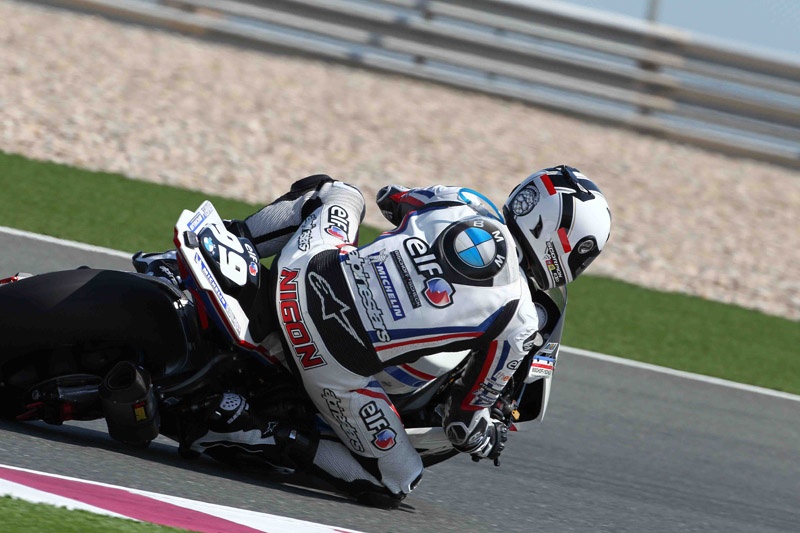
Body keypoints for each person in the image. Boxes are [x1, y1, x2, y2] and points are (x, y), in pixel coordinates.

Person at [181, 165, 612, 508]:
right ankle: (247, 427)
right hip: (327, 360)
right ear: (566, 243)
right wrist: (484, 436)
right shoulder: (520, 318)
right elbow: (462, 420)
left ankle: (233, 242)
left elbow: (392, 197)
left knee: (338, 192)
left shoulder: (463, 200)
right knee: (396, 480)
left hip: (300, 274)